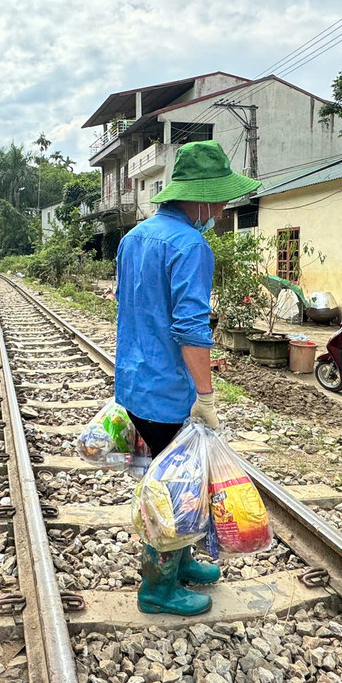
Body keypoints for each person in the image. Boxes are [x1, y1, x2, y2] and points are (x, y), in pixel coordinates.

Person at [114, 141, 262, 616]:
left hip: (135, 383)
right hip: (170, 391)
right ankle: (157, 589)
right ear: (197, 198)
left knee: (162, 477)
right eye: (217, 201)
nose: (219, 212)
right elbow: (191, 330)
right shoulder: (190, 246)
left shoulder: (133, 238)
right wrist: (206, 396)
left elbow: (130, 306)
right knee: (177, 489)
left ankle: (178, 564)